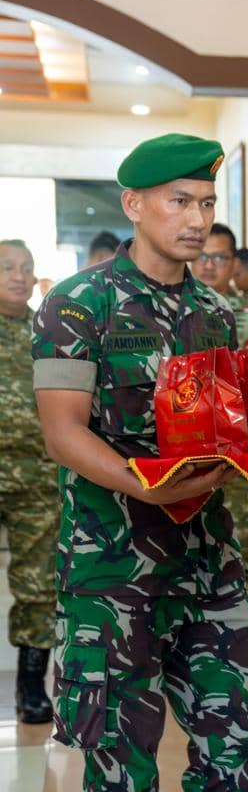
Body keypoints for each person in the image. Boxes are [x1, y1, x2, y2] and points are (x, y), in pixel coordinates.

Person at [31, 133, 248, 790]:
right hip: (113, 571)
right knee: (121, 768)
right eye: (179, 201)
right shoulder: (78, 304)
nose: (198, 219)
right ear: (134, 205)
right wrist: (144, 485)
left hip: (207, 564)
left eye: (207, 203)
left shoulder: (215, 312)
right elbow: (62, 433)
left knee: (237, 751)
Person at [191, 222, 248, 610]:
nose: (208, 265)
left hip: (240, 461)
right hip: (186, 459)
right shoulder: (170, 313)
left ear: (234, 263)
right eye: (202, 256)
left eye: (219, 257)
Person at [0, 239, 58, 724]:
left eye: (26, 268)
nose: (19, 276)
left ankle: (31, 686)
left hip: (37, 479)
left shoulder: (46, 332)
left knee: (39, 583)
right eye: (6, 268)